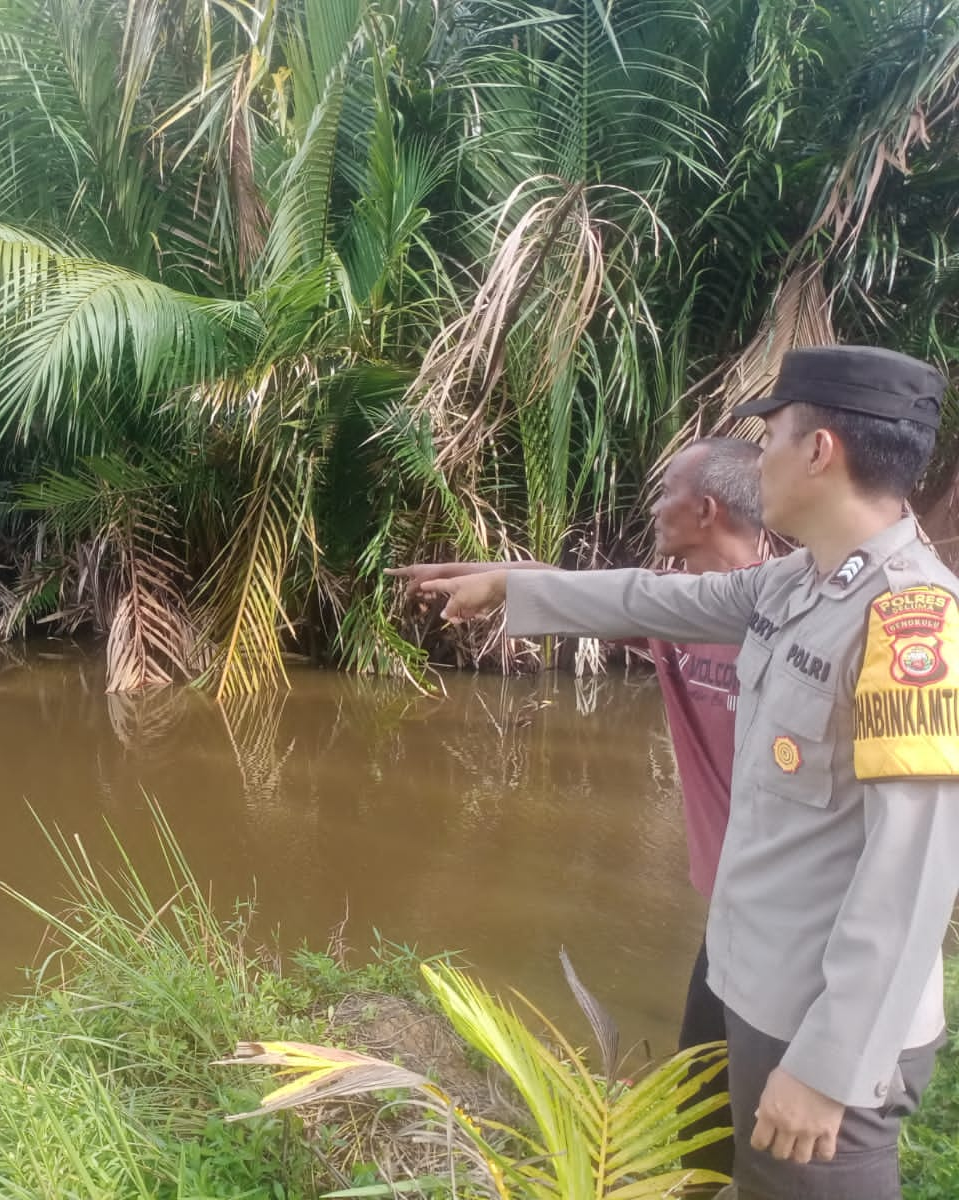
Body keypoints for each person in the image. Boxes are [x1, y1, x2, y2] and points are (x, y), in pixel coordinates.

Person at [394, 346, 958, 1200]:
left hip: (817, 1022)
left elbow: (911, 874)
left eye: (770, 436)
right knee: (717, 1177)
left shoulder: (912, 626)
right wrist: (512, 586)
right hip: (746, 978)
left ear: (819, 452)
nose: (756, 460)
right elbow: (654, 600)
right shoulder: (796, 584)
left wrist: (831, 1068)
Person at [392, 436, 765, 1179]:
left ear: (705, 509)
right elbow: (576, 586)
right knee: (699, 1111)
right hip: (732, 911)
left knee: (783, 1130)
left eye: (665, 494)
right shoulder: (676, 606)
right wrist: (478, 576)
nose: (654, 507)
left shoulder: (787, 615)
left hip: (789, 914)